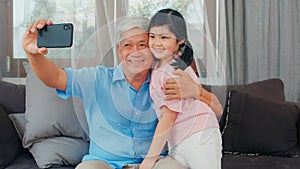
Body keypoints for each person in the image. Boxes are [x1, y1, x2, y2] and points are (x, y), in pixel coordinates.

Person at [22, 16, 222, 169]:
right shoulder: (97, 78)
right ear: (119, 50)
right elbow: (54, 78)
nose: (135, 51)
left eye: (142, 44)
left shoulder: (166, 79)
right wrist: (33, 54)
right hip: (104, 163)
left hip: (154, 162)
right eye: (128, 45)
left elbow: (216, 108)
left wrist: (197, 91)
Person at [139, 9, 222, 169]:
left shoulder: (174, 72)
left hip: (198, 135)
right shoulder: (158, 65)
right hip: (178, 140)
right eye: (153, 36)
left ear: (180, 40)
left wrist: (150, 159)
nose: (156, 42)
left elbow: (168, 117)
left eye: (164, 37)